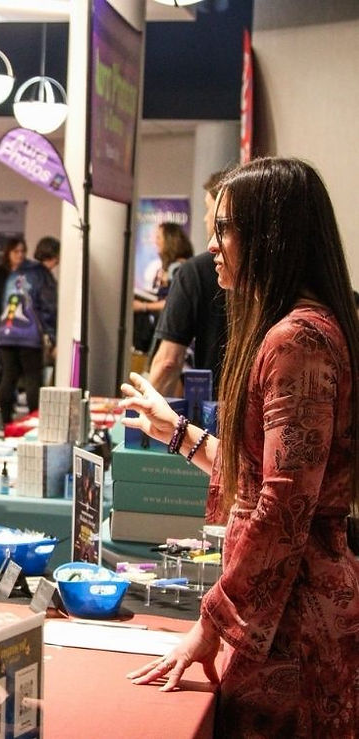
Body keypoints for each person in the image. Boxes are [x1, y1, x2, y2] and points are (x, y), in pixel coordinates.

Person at [120, 158, 359, 736]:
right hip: (285, 614)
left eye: (225, 227)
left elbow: (283, 506)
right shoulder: (300, 329)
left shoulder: (296, 339)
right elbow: (267, 475)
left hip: (292, 624)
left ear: (270, 236)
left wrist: (211, 622)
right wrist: (174, 430)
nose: (213, 244)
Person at [149, 170, 230, 397]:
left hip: (213, 410)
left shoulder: (194, 271)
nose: (206, 219)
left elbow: (168, 362)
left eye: (208, 209)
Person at [0, 237, 58, 425]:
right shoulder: (43, 275)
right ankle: (34, 423)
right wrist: (53, 338)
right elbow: (48, 308)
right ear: (54, 257)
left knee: (8, 377)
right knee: (33, 378)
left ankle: (5, 423)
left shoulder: (16, 273)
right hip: (29, 334)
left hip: (6, 331)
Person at [132, 222, 193, 354]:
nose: (155, 242)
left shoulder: (178, 269)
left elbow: (172, 303)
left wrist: (143, 306)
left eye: (159, 237)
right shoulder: (171, 268)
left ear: (169, 240)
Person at [0, 237, 27, 401]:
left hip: (20, 324)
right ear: (8, 253)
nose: (20, 255)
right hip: (1, 323)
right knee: (0, 360)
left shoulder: (26, 273)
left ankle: (12, 392)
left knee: (15, 363)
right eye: (16, 251)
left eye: (22, 251)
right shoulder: (0, 272)